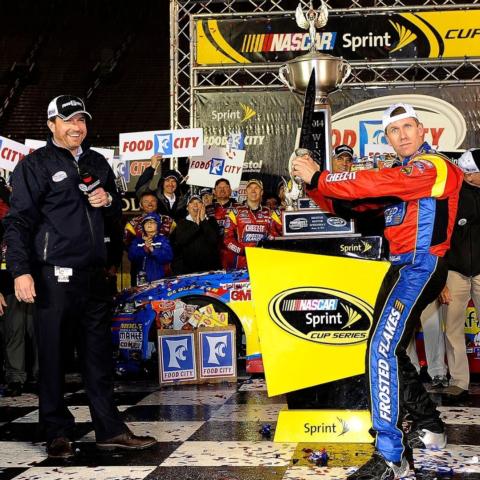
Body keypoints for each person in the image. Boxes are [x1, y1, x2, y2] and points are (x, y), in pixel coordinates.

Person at [292, 102, 463, 479]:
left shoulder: (434, 167)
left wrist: (321, 176)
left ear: (422, 131)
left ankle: (391, 457)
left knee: (381, 347)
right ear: (386, 138)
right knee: (384, 346)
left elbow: (381, 183)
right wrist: (313, 185)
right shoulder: (399, 174)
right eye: (393, 131)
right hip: (399, 268)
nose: (401, 136)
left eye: (407, 128)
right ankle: (430, 427)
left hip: (422, 266)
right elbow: (355, 206)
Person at [3, 95, 156, 458]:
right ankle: (56, 431)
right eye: (68, 120)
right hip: (53, 275)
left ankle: (109, 428)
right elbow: (18, 222)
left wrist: (109, 203)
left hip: (94, 276)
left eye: (82, 120)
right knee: (53, 357)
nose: (77, 126)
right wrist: (20, 271)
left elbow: (116, 210)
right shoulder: (35, 165)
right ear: (52, 124)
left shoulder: (97, 161)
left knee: (98, 357)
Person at [439, 148, 480, 400]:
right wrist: (441, 279)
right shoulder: (452, 198)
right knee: (453, 328)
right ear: (469, 174)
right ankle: (459, 381)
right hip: (455, 272)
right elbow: (440, 240)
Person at [224, 178, 282, 269]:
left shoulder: (271, 213)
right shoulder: (235, 212)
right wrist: (243, 251)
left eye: (257, 188)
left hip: (264, 260)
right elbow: (227, 239)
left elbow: (279, 234)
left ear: (262, 192)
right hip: (241, 262)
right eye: (250, 188)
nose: (253, 190)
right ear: (246, 191)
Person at [124, 190, 175, 285]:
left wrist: (155, 250)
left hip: (164, 270)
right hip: (140, 270)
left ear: (157, 203)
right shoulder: (132, 223)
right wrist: (144, 250)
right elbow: (128, 247)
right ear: (140, 204)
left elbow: (175, 246)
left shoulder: (169, 221)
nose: (150, 204)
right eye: (146, 201)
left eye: (153, 201)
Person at [171, 195, 221, 275]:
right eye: (192, 202)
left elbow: (214, 240)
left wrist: (203, 221)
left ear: (203, 206)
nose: (195, 205)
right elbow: (181, 240)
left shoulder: (211, 221)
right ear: (187, 207)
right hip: (188, 270)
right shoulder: (181, 223)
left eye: (198, 202)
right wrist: (196, 225)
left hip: (210, 268)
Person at [406, 300, 448, 388]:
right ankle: (411, 371)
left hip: (426, 287)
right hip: (403, 289)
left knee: (433, 323)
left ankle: (438, 372)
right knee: (405, 327)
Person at [135, 154, 187, 220]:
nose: (170, 184)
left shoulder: (182, 201)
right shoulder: (154, 196)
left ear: (177, 184)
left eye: (173, 181)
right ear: (162, 183)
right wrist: (152, 167)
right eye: (167, 180)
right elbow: (140, 187)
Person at [128, 213, 174, 283]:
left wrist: (153, 250)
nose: (149, 224)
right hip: (141, 280)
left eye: (152, 222)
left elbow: (168, 257)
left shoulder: (163, 240)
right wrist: (144, 249)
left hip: (161, 280)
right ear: (143, 226)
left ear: (158, 225)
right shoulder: (137, 241)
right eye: (146, 222)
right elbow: (132, 257)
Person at [211, 178, 240, 270]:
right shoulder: (208, 209)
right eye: (219, 187)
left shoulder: (239, 208)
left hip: (233, 253)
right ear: (214, 191)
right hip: (213, 252)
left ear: (230, 190)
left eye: (225, 187)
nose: (222, 190)